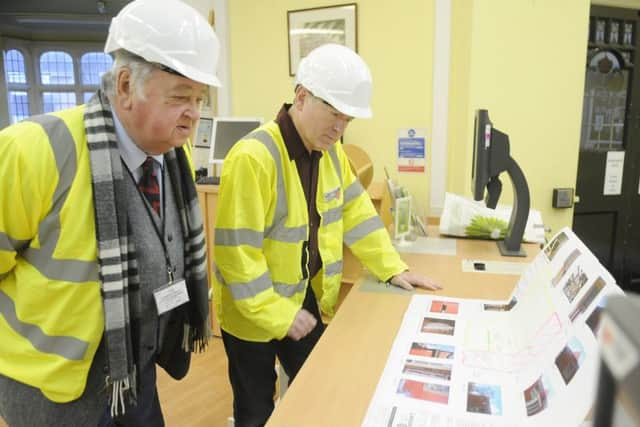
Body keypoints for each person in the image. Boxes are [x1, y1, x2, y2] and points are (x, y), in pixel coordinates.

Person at [0, 0, 220, 425]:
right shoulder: (35, 149)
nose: (194, 114)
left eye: (198, 98)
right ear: (124, 85)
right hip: (54, 391)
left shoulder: (172, 155)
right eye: (180, 98)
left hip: (134, 372)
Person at [212, 43, 442, 427]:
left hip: (300, 296)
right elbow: (238, 256)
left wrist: (391, 268)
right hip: (252, 308)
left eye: (347, 120)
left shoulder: (331, 153)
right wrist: (277, 313)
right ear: (301, 98)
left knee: (318, 390)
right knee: (255, 411)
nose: (340, 128)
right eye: (334, 115)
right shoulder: (253, 156)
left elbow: (358, 214)